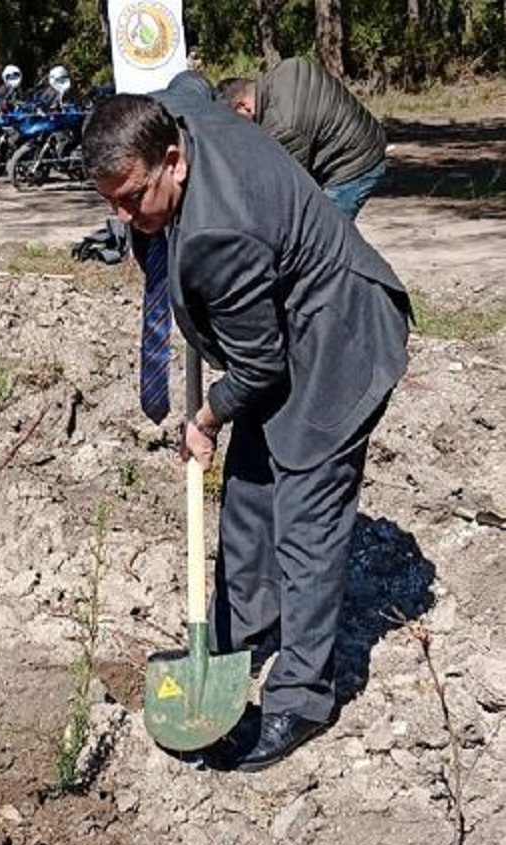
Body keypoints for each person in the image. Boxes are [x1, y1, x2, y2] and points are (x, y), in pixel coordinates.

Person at [82, 92, 411, 771]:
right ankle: (231, 640)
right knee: (250, 491)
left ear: (172, 161)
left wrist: (203, 419)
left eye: (133, 199)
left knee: (305, 520)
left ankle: (302, 697)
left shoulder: (214, 237)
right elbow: (189, 82)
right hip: (287, 324)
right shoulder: (178, 115)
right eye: (109, 202)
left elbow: (259, 367)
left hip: (340, 340)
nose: (123, 219)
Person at [217, 57, 387, 219]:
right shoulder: (288, 67)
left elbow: (291, 187)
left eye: (234, 121)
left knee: (325, 236)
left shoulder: (283, 126)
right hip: (365, 132)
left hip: (356, 163)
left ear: (243, 106)